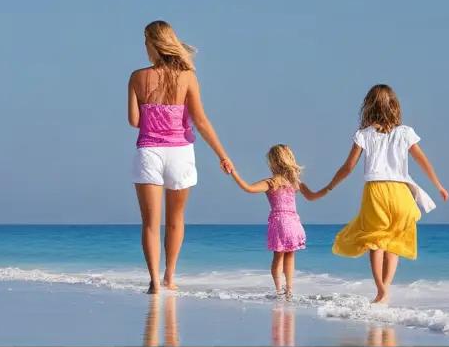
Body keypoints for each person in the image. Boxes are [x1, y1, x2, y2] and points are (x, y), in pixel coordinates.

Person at [128, 20, 234, 294]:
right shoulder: (187, 76)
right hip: (181, 153)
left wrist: (153, 112)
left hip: (149, 152)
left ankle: (153, 282)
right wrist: (223, 155)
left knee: (150, 223)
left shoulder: (137, 77)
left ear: (152, 43)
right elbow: (200, 120)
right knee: (176, 219)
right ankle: (170, 276)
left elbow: (133, 120)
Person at [319, 84, 449, 304]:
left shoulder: (364, 135)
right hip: (401, 193)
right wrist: (438, 186)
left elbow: (348, 167)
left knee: (376, 240)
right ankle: (386, 289)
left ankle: (380, 287)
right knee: (394, 241)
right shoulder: (405, 132)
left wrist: (329, 186)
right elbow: (422, 161)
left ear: (368, 106)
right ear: (395, 106)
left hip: (376, 191)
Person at [228, 144, 326, 298]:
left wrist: (233, 172)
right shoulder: (295, 183)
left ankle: (279, 289)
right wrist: (328, 189)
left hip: (280, 222)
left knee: (278, 257)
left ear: (273, 162)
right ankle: (289, 289)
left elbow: (247, 188)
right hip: (294, 222)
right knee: (290, 255)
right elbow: (312, 197)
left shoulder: (271, 182)